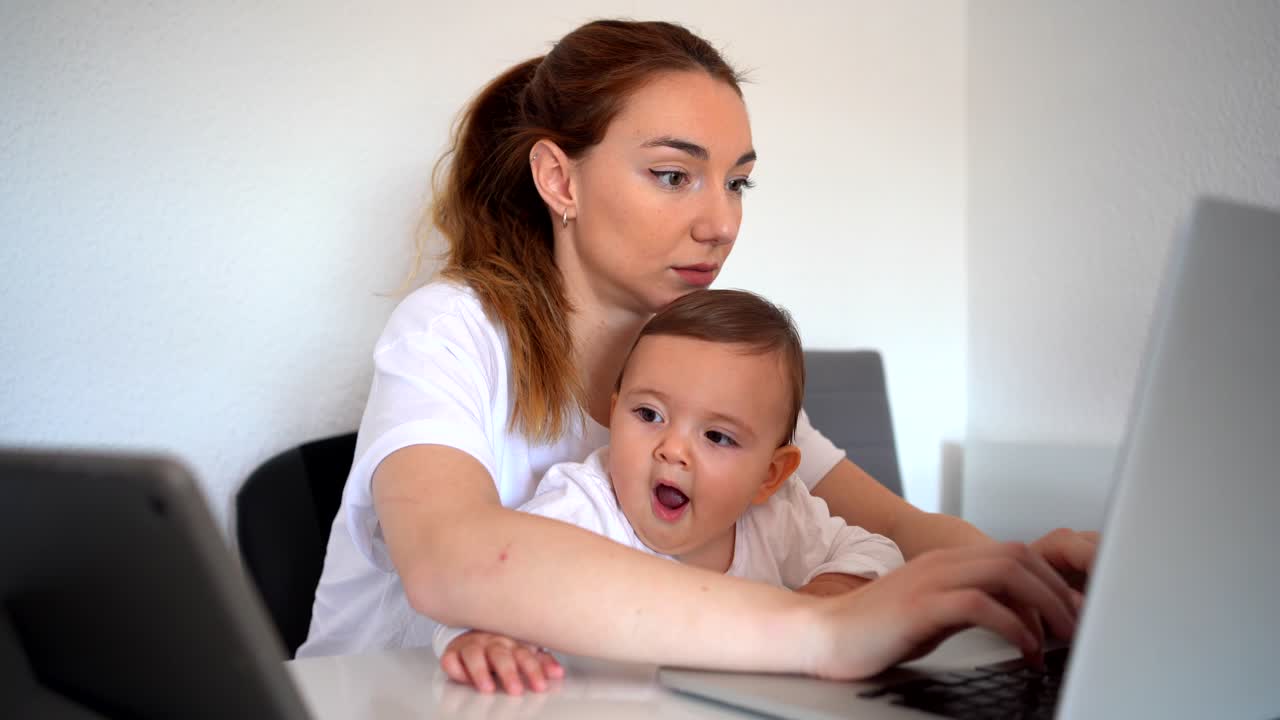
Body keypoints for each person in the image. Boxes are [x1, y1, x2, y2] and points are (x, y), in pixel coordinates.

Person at [298, 18, 1098, 696]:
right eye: (675, 175)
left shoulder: (710, 370)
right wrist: (823, 629)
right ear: (557, 179)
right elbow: (450, 558)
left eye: (737, 185)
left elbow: (891, 524)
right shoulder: (451, 330)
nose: (721, 223)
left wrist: (1025, 579)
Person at [435, 289, 906, 691]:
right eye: (649, 415)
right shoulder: (583, 509)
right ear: (615, 413)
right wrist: (479, 639)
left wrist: (826, 597)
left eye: (717, 437)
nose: (672, 450)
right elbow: (484, 586)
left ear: (770, 476)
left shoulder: (778, 515)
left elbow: (876, 550)